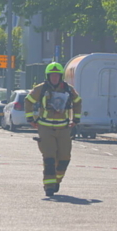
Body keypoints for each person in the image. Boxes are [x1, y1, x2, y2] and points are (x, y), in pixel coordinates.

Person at [25, 62, 82, 196]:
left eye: (57, 75)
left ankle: (57, 180)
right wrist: (31, 119)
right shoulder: (41, 89)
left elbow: (78, 101)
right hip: (46, 128)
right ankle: (49, 186)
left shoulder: (68, 89)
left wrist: (76, 119)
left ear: (61, 76)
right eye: (52, 75)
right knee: (49, 158)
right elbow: (28, 100)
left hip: (63, 128)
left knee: (64, 158)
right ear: (48, 76)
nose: (55, 78)